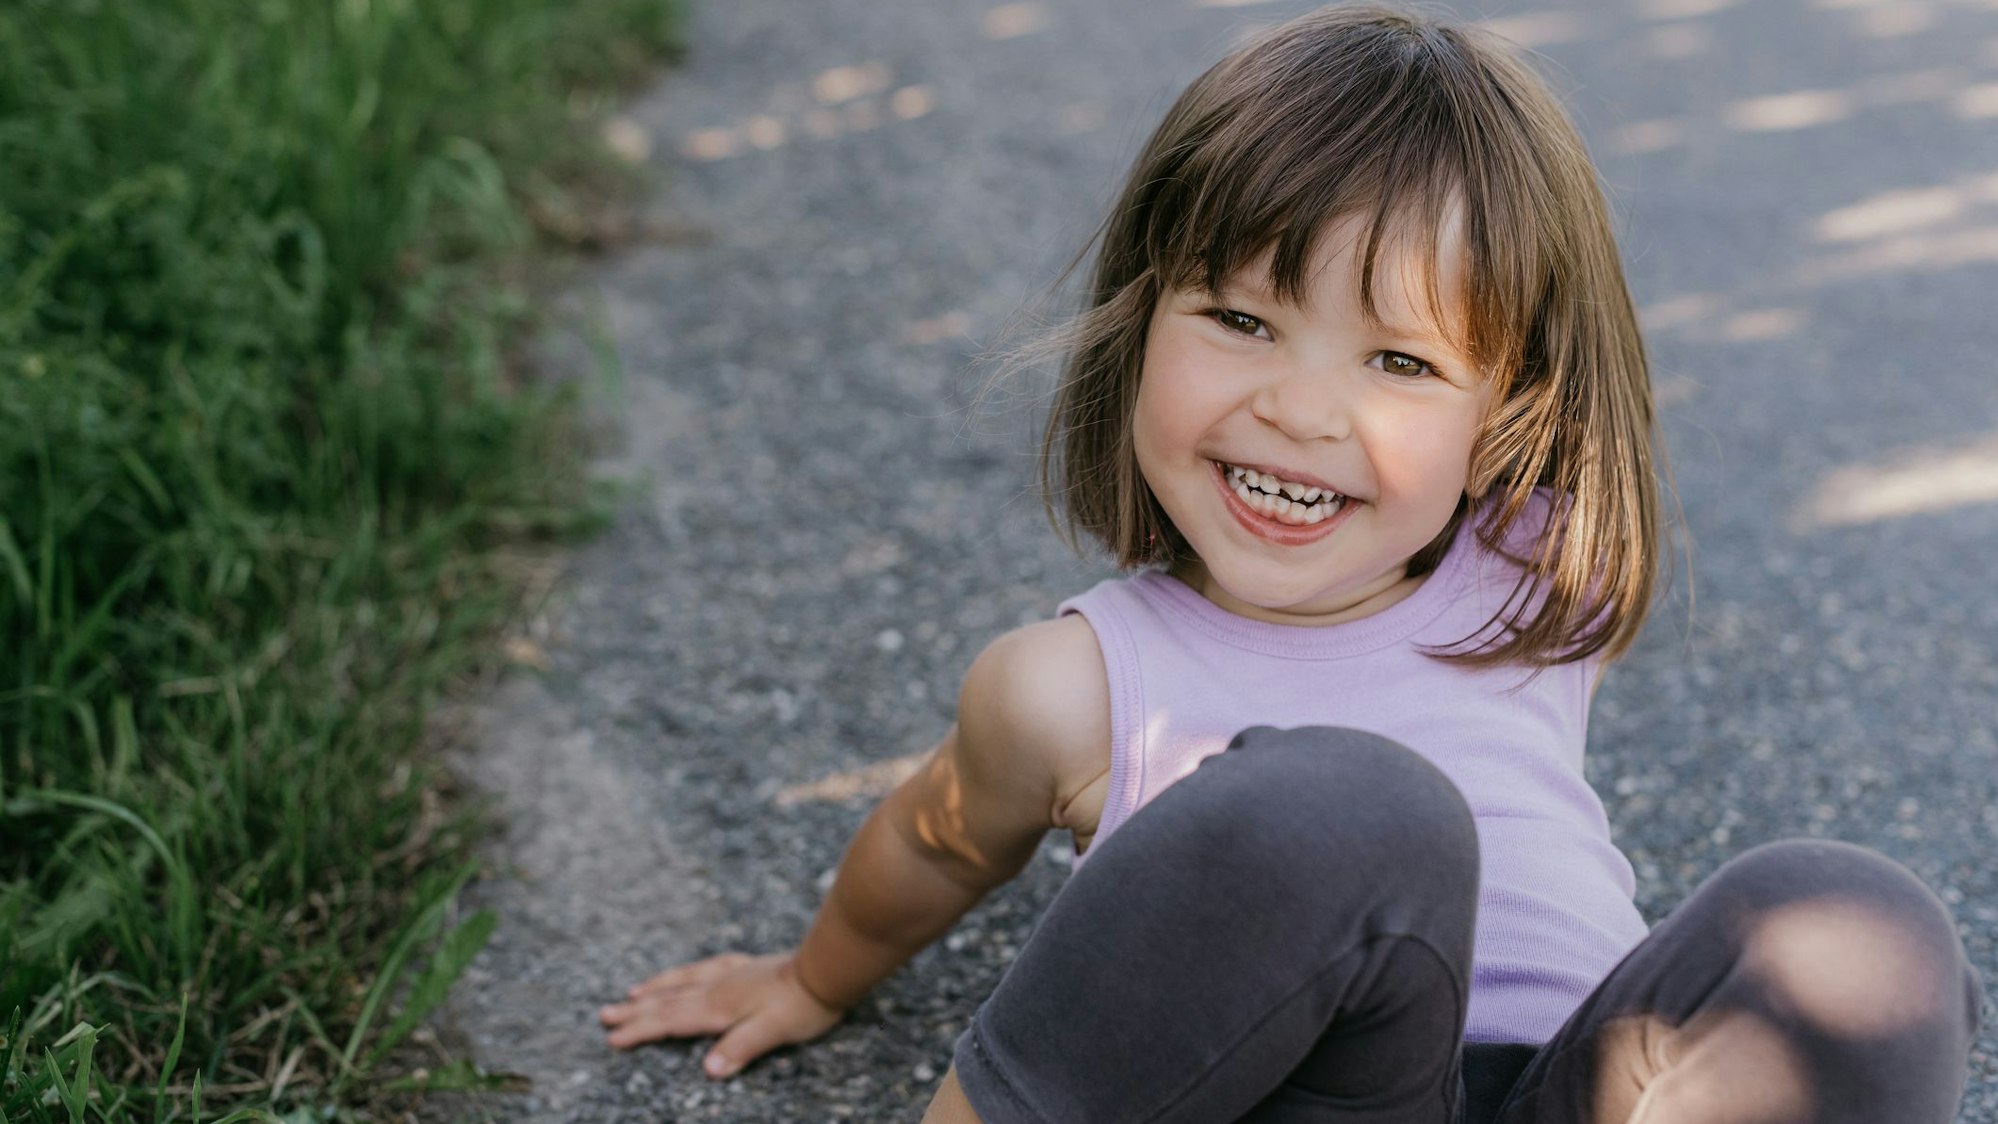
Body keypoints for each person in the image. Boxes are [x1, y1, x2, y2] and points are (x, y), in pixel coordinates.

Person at [596, 4, 1985, 1120]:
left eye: (1396, 361)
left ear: (1501, 417)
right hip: (1315, 1090)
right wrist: (812, 975)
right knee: (1353, 812)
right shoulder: (1077, 686)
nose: (1302, 409)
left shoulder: (1525, 570)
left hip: (1587, 1089)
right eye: (1240, 321)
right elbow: (929, 836)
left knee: (1852, 934)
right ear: (1138, 321)